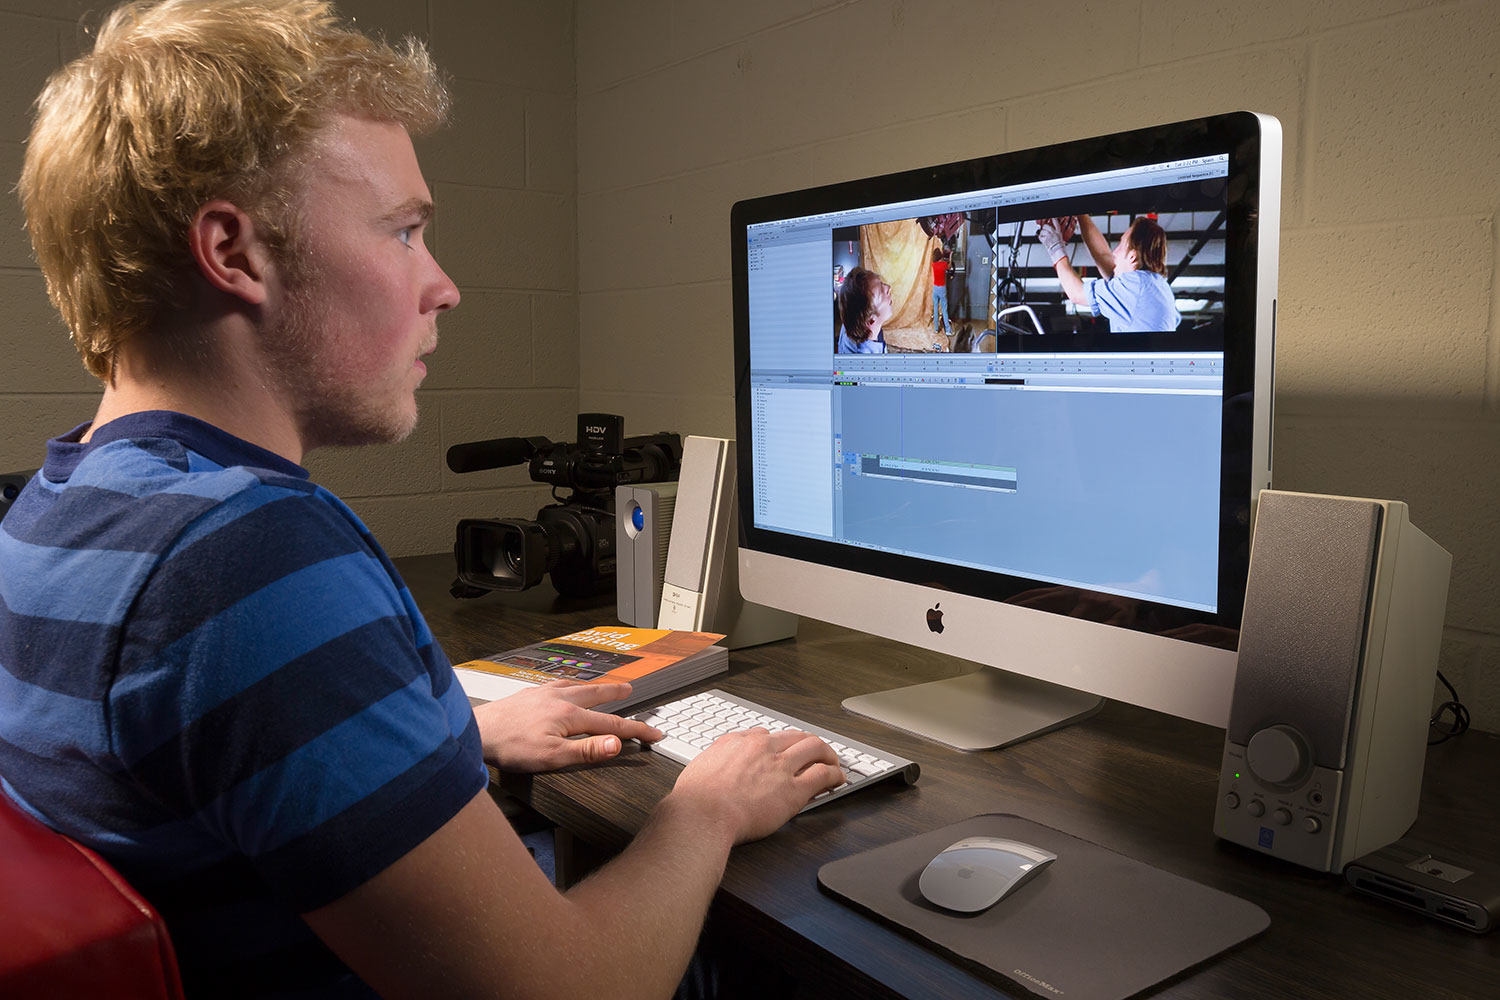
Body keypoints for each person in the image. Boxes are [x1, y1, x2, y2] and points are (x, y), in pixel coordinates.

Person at [0, 3, 844, 999]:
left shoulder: (52, 505)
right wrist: (707, 807)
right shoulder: (248, 560)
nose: (444, 287)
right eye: (404, 232)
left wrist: (450, 733)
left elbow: (195, 769)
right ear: (234, 253)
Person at [1036, 214, 1181, 332]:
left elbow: (1077, 294)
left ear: (1132, 256)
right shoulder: (1156, 286)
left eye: (1120, 245)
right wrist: (1081, 214)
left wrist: (1055, 247)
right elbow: (1103, 256)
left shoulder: (1135, 285)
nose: (1114, 252)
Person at [835, 266, 893, 353]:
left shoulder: (853, 320)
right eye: (881, 292)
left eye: (882, 284)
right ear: (871, 321)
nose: (889, 287)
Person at [930, 247, 952, 336]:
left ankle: (936, 329)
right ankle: (947, 330)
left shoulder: (933, 265)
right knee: (944, 309)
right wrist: (950, 256)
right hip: (942, 289)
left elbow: (939, 262)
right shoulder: (944, 264)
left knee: (935, 309)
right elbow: (949, 266)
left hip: (935, 288)